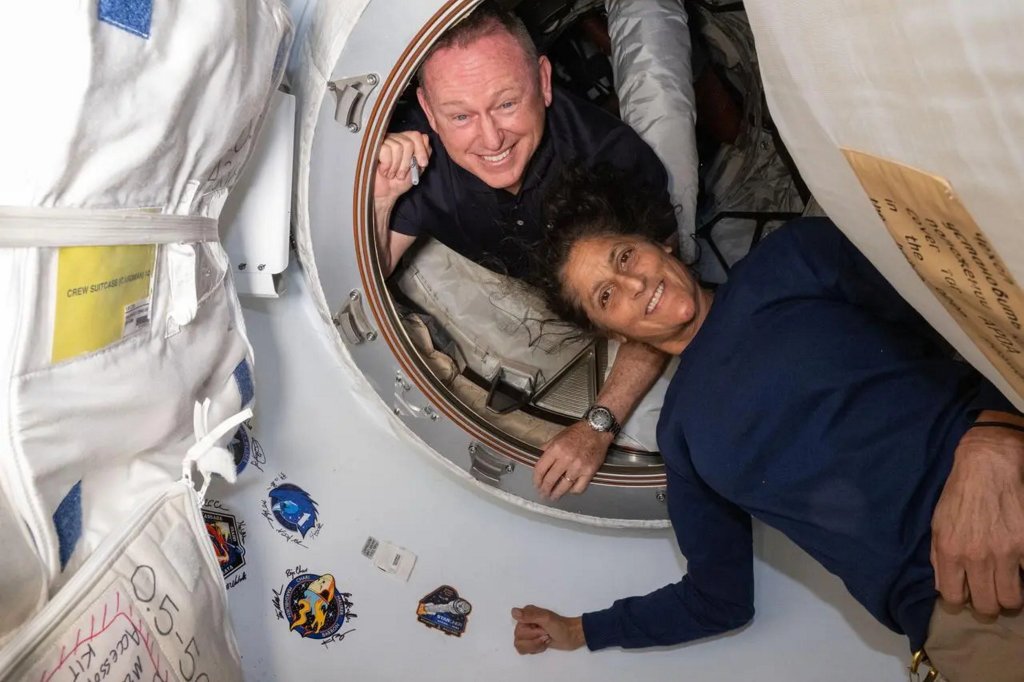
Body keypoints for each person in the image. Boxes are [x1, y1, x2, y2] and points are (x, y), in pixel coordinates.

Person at [510, 167, 1024, 681]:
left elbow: (977, 311)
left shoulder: (791, 259)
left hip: (1006, 484)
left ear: (660, 244)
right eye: (606, 296)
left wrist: (997, 434)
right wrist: (581, 630)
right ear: (612, 332)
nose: (634, 282)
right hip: (964, 612)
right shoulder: (682, 437)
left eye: (625, 256)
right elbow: (718, 599)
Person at [373, 3, 680, 499]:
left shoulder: (612, 160)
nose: (490, 138)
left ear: (542, 80)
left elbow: (667, 302)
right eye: (460, 115)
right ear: (429, 111)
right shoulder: (419, 158)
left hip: (605, 299)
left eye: (507, 104)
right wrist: (384, 195)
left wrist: (597, 425)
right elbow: (371, 272)